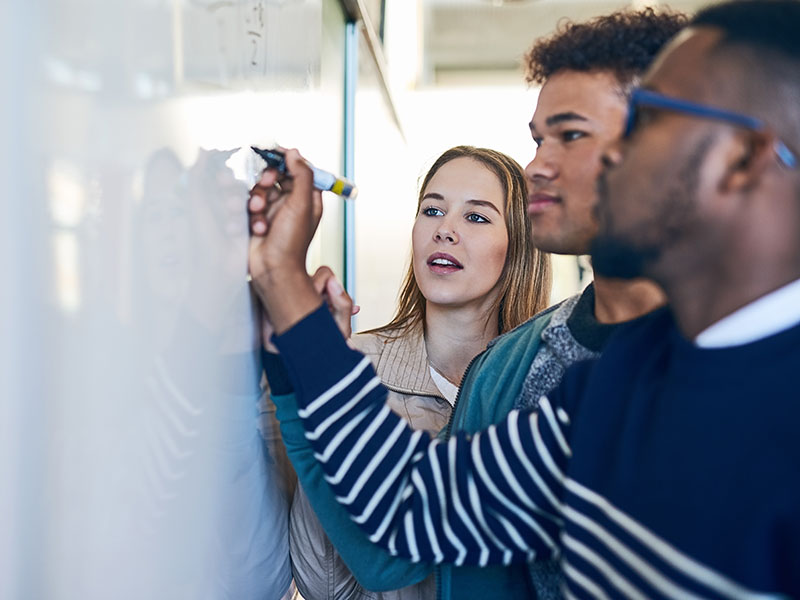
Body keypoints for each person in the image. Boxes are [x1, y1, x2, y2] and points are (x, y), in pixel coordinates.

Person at [248, 0, 800, 596]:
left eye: (649, 125)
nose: (611, 158)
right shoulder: (619, 382)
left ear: (742, 158)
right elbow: (409, 507)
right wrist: (286, 293)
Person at [264, 146, 551, 599]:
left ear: (519, 246)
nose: (445, 230)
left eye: (476, 217)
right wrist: (317, 372)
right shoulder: (351, 366)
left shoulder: (540, 384)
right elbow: (319, 579)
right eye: (432, 210)